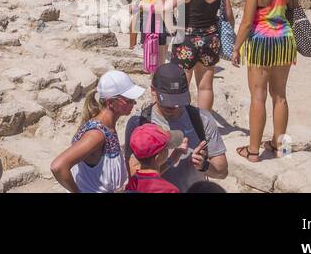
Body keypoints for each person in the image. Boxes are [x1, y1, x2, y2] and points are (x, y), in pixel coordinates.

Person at [231, 0, 296, 162]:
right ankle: (281, 148)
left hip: (262, 43)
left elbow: (247, 23)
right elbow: (292, 11)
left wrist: (236, 48)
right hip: (285, 42)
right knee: (280, 96)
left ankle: (253, 151)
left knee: (258, 97)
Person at [124, 62, 228, 191]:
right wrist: (169, 162)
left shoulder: (202, 119)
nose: (173, 106)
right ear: (153, 91)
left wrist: (204, 165)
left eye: (177, 101)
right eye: (167, 101)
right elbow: (133, 175)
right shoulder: (139, 123)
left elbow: (222, 172)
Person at [49, 70, 144, 193]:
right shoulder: (96, 135)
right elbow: (58, 166)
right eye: (128, 100)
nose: (134, 103)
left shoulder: (107, 127)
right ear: (110, 103)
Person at [168, 0, 233, 111]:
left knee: (182, 84)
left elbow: (166, 7)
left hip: (187, 40)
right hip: (211, 39)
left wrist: (172, 28)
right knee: (205, 86)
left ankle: (183, 121)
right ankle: (205, 123)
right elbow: (229, 16)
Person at [125, 124, 181, 193]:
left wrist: (170, 161)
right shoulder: (170, 190)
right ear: (158, 156)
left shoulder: (131, 184)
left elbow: (149, 179)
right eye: (166, 148)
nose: (168, 150)